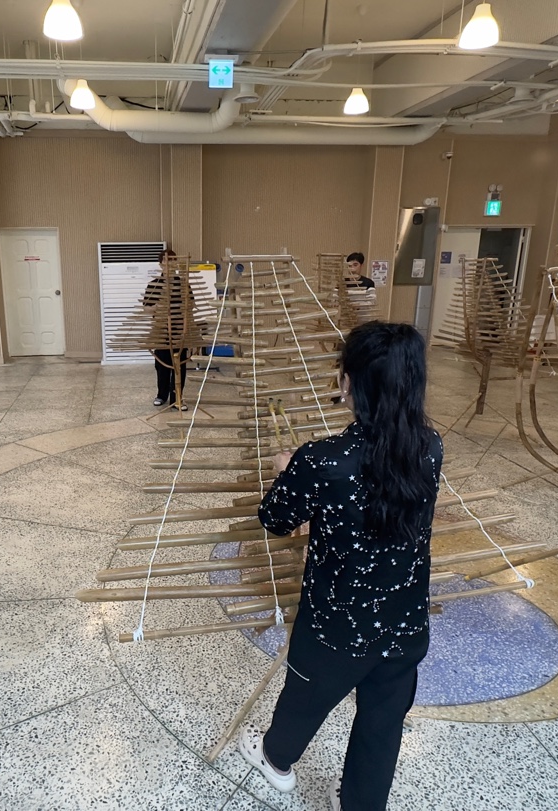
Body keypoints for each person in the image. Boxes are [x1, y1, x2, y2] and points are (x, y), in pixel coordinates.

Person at [240, 321, 443, 810]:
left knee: (306, 696)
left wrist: (286, 470)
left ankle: (275, 760)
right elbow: (378, 500)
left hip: (338, 622)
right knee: (384, 721)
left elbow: (276, 518)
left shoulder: (322, 460)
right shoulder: (430, 447)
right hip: (405, 620)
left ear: (348, 382)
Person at [143, 249, 190, 411]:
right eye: (166, 260)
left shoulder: (184, 285)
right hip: (161, 331)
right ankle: (161, 395)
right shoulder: (154, 285)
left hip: (179, 331)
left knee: (179, 365)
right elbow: (146, 308)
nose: (169, 263)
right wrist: (159, 306)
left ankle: (177, 398)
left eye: (172, 260)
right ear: (161, 263)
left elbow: (191, 307)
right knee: (162, 365)